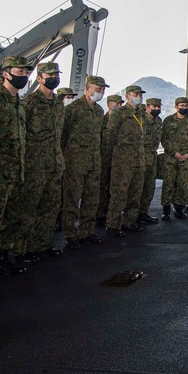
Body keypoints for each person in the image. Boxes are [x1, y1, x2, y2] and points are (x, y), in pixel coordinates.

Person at [0, 56, 32, 277]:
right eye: (19, 72)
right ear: (6, 73)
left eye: (25, 72)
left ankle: (3, 256)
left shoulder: (20, 103)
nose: (23, 76)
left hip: (17, 169)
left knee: (13, 216)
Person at [22, 62, 65, 260]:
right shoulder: (30, 102)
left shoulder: (58, 104)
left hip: (55, 164)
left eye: (56, 74)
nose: (53, 78)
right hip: (35, 165)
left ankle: (43, 245)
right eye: (49, 75)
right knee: (30, 208)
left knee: (51, 207)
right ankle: (23, 249)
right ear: (39, 78)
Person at [61, 75, 108, 248]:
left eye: (103, 89)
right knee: (72, 199)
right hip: (75, 162)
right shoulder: (73, 109)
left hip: (94, 162)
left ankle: (87, 231)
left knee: (91, 198)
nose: (101, 92)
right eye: (98, 89)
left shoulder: (99, 111)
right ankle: (70, 234)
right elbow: (63, 135)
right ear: (88, 88)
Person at [103, 86, 146, 236]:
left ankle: (129, 221)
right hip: (122, 161)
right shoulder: (119, 114)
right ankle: (113, 225)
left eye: (140, 94)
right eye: (135, 94)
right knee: (119, 193)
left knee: (135, 194)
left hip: (138, 161)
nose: (139, 97)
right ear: (127, 96)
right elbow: (110, 137)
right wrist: (111, 159)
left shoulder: (141, 114)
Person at [160, 97, 188, 220]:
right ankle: (166, 210)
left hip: (186, 159)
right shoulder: (168, 121)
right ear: (176, 106)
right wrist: (174, 153)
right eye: (182, 105)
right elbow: (164, 139)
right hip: (171, 158)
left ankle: (179, 208)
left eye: (186, 106)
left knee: (183, 184)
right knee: (168, 184)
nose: (184, 108)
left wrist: (187, 154)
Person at [97, 94, 124, 225]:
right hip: (104, 158)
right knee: (102, 187)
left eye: (120, 104)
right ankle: (100, 213)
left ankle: (111, 214)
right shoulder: (102, 120)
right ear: (109, 104)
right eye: (116, 103)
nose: (118, 106)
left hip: (118, 159)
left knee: (116, 188)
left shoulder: (123, 122)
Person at [137, 98, 163, 224]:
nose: (157, 109)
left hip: (152, 157)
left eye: (158, 107)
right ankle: (132, 215)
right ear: (147, 107)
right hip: (140, 157)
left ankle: (143, 212)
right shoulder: (140, 119)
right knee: (137, 188)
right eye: (154, 107)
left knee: (149, 188)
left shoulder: (158, 121)